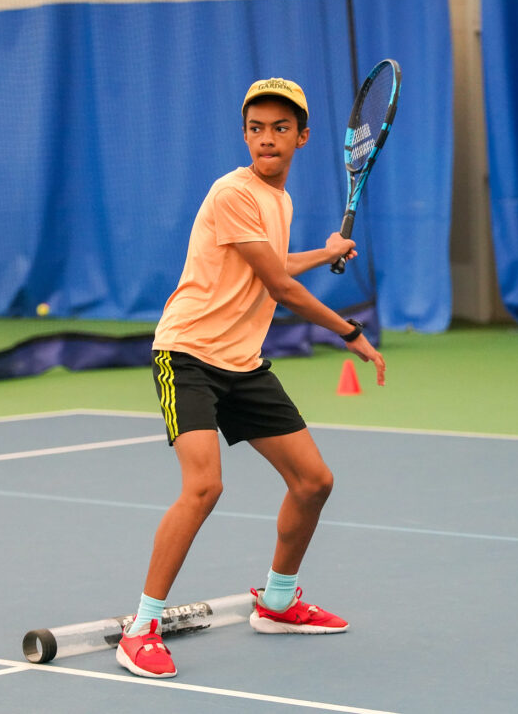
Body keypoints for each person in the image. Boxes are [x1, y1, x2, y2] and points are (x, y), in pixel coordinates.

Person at [116, 78, 386, 679]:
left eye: (280, 129)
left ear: (302, 137)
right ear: (245, 136)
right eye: (257, 128)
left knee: (313, 482)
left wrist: (325, 252)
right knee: (204, 487)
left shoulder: (279, 202)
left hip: (241, 361)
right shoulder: (232, 191)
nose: (268, 139)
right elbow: (280, 286)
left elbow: (273, 262)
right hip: (188, 354)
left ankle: (279, 602)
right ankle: (140, 629)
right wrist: (349, 331)